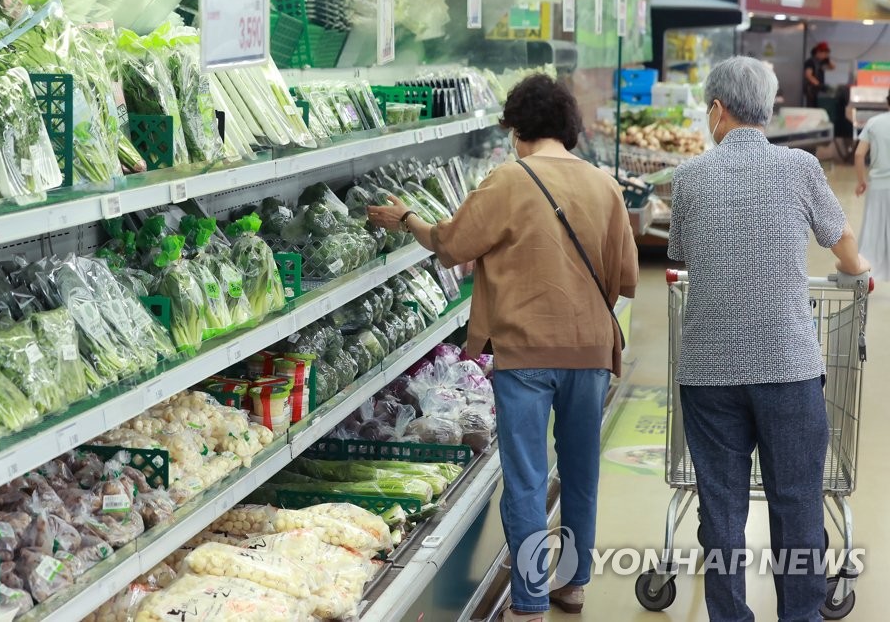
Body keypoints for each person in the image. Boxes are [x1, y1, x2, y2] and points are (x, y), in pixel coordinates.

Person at [367, 74, 638, 621]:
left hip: (525, 353)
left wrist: (406, 220)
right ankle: (574, 583)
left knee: (526, 476)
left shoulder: (507, 181)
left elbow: (450, 245)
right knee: (581, 471)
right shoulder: (605, 186)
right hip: (588, 351)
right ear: (568, 127)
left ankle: (531, 601)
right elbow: (626, 276)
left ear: (518, 128)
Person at [668, 56, 869, 622]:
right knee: (797, 504)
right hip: (788, 365)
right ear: (769, 107)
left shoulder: (689, 177)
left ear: (716, 110)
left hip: (709, 370)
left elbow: (682, 254)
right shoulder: (800, 168)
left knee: (723, 509)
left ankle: (731, 615)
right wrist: (859, 269)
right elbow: (843, 246)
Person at [853, 90, 890, 280]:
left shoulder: (874, 122)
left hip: (877, 186)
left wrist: (861, 182)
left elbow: (859, 154)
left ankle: (868, 272)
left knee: (873, 230)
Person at [804, 41, 835, 107]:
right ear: (818, 52)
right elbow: (808, 75)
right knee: (812, 108)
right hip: (811, 90)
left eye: (827, 54)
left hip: (819, 90)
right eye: (824, 53)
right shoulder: (810, 62)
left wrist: (828, 60)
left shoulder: (821, 62)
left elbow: (832, 67)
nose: (825, 55)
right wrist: (818, 84)